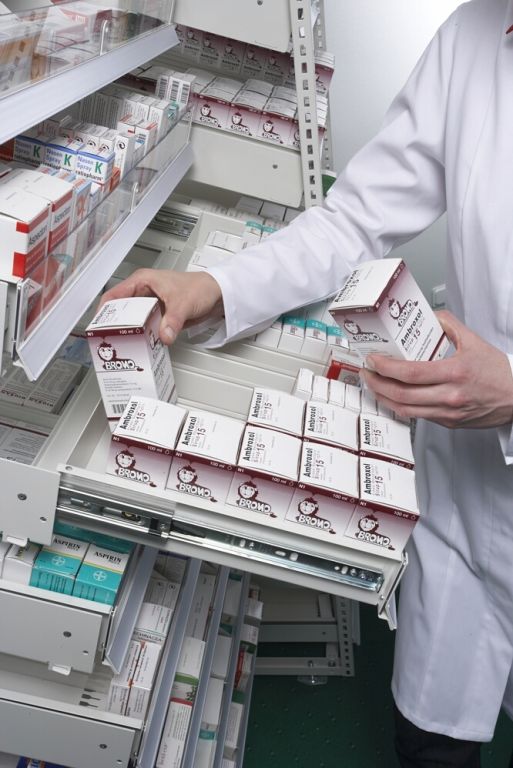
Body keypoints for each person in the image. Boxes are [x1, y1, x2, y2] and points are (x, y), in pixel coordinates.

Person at [101, 1, 513, 764]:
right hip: (462, 497)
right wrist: (216, 288)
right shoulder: (474, 34)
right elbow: (352, 222)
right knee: (429, 741)